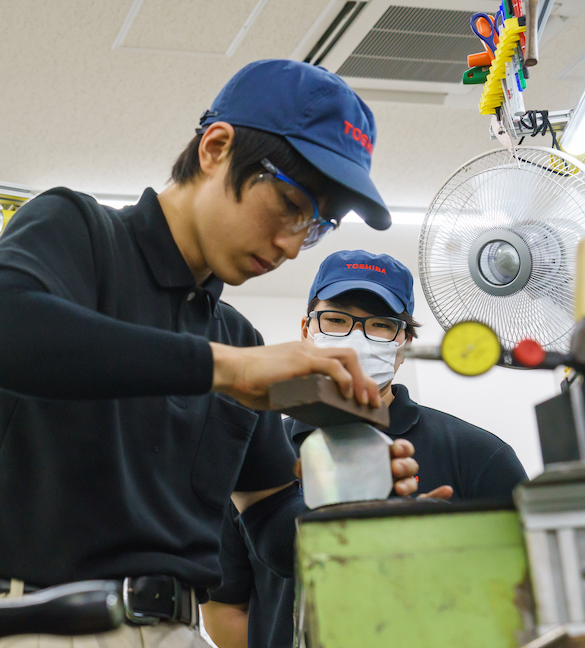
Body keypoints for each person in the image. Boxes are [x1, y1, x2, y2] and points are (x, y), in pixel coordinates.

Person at [0, 61, 430, 648]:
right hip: (35, 621)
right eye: (286, 203)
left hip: (175, 630)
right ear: (216, 148)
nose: (289, 245)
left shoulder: (240, 339)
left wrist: (354, 516)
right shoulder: (78, 231)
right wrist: (222, 369)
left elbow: (273, 532)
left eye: (314, 227)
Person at [202, 250, 529, 648]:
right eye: (337, 320)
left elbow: (526, 594)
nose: (356, 338)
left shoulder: (477, 456)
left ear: (404, 343)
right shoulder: (257, 457)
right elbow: (225, 609)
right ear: (307, 329)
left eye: (380, 326)